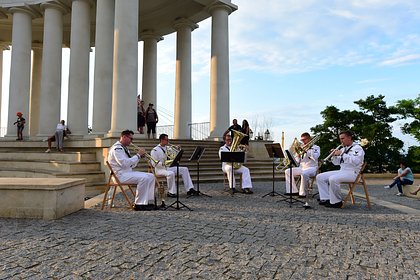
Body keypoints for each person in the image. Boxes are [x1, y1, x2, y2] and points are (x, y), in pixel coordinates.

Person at [108, 130, 157, 211]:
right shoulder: (117, 149)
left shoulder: (125, 148)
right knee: (144, 178)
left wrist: (139, 157)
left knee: (151, 176)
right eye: (130, 138)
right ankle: (139, 204)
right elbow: (124, 164)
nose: (132, 141)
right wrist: (138, 155)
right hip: (119, 175)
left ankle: (148, 201)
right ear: (124, 137)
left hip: (127, 173)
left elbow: (131, 165)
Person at [316, 131, 365, 208]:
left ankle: (337, 202)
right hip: (342, 171)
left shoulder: (357, 148)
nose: (341, 141)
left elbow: (356, 161)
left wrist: (342, 154)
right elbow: (336, 163)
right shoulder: (343, 149)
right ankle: (326, 198)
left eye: (343, 138)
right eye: (340, 139)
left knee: (333, 179)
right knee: (320, 177)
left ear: (349, 137)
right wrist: (334, 156)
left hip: (353, 173)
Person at [284, 132, 320, 197]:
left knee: (304, 173)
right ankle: (293, 191)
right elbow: (297, 162)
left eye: (304, 140)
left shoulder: (316, 147)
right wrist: (297, 156)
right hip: (302, 167)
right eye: (302, 140)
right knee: (288, 171)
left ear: (309, 139)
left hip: (312, 168)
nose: (303, 141)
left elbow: (315, 157)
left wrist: (307, 151)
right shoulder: (301, 147)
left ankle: (303, 193)